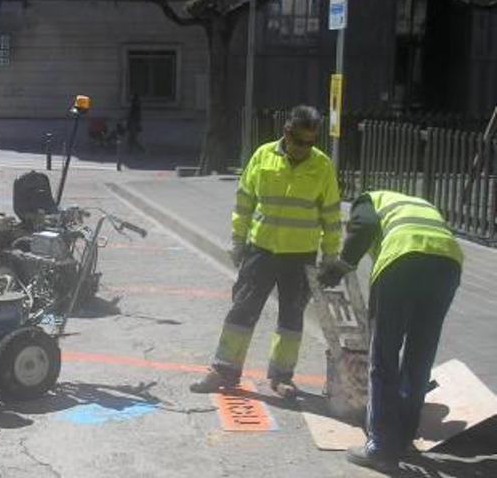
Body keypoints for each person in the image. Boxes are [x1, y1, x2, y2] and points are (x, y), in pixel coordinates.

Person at [189, 105, 342, 399]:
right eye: (299, 142)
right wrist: (237, 240)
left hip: (301, 256)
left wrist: (331, 256)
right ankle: (224, 369)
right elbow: (245, 200)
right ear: (287, 132)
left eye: (311, 143)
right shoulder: (263, 156)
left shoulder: (321, 166)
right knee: (242, 309)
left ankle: (282, 377)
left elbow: (331, 215)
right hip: (261, 250)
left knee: (291, 317)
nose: (304, 149)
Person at [318, 190, 463, 473]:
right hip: (447, 264)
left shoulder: (367, 199)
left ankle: (381, 447)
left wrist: (343, 265)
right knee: (420, 354)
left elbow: (364, 226)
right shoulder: (420, 203)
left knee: (384, 353)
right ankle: (404, 437)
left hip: (402, 260)